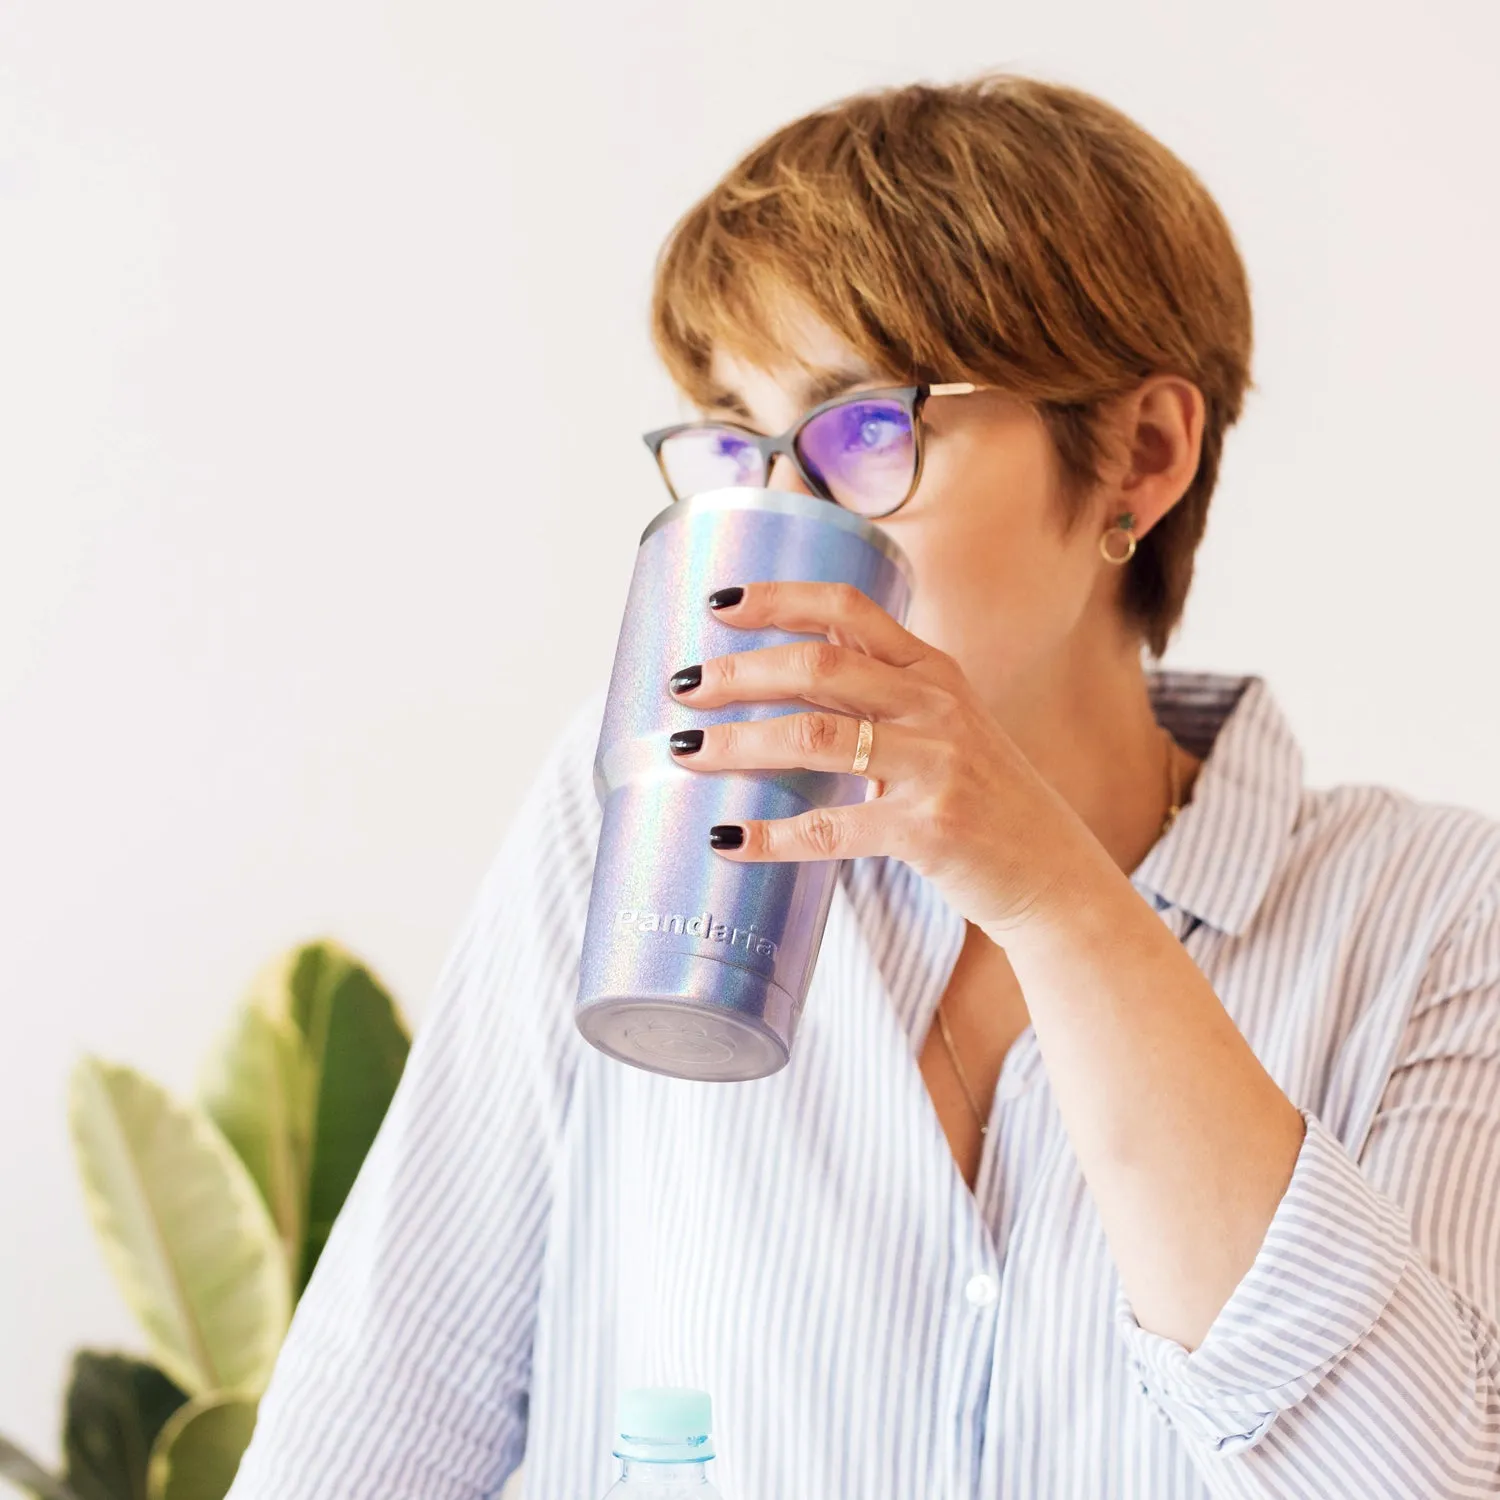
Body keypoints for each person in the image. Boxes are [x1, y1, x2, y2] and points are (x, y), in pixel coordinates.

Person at [227, 73, 1500, 1499]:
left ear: (1139, 456)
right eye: (738, 442)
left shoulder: (1436, 917)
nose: (776, 523)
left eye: (865, 432)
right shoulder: (642, 807)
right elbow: (372, 1430)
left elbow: (1428, 1480)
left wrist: (1062, 904)